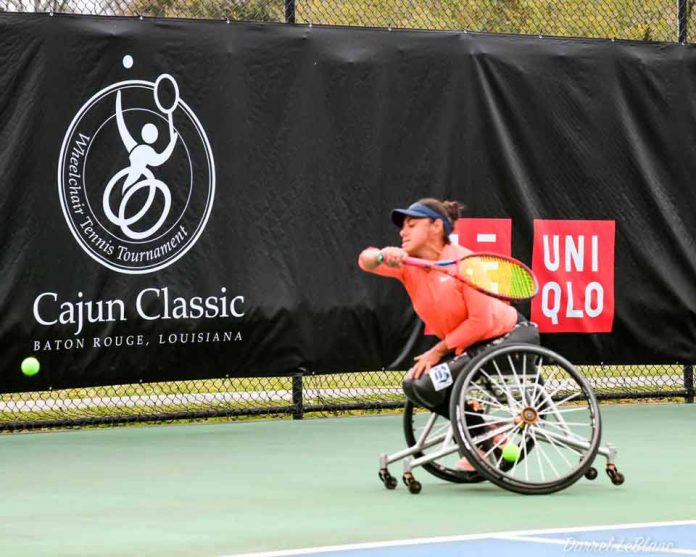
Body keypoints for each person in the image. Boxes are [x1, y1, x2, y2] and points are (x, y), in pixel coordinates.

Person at [358, 198, 539, 470]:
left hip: (507, 338)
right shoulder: (410, 265)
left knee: (428, 383)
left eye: (411, 225)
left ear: (435, 226)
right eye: (403, 227)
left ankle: (482, 439)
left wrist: (439, 350)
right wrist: (384, 255)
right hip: (468, 348)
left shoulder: (466, 264)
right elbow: (365, 260)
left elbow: (480, 321)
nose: (402, 232)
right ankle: (484, 435)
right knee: (416, 384)